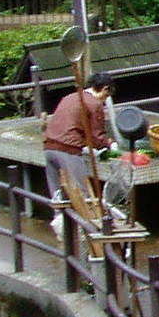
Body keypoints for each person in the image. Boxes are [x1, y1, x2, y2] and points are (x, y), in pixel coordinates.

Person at [42, 72, 115, 228]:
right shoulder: (94, 104)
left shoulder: (70, 97)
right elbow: (97, 135)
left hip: (49, 146)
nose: (105, 100)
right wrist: (109, 145)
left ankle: (60, 225)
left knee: (57, 194)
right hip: (68, 149)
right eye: (107, 94)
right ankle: (85, 230)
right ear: (105, 89)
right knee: (83, 194)